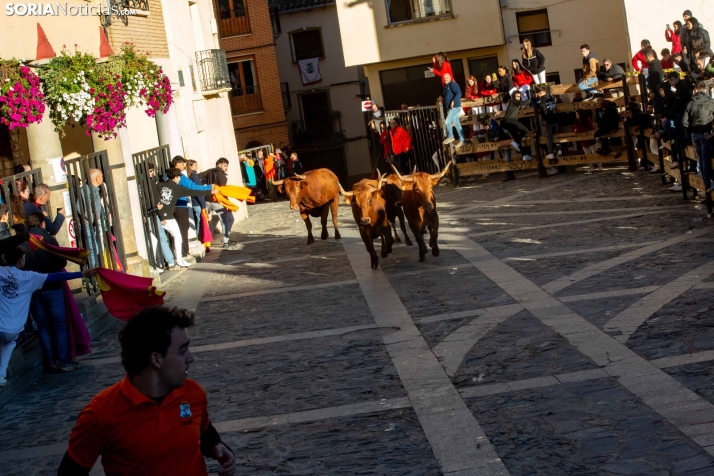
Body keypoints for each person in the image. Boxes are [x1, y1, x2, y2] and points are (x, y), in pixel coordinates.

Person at [58, 306, 236, 476]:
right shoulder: (100, 413)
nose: (191, 357)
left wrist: (216, 445)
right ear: (156, 359)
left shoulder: (193, 393)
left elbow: (203, 431)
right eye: (182, 350)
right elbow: (71, 471)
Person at [0, 243, 97, 387]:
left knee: (7, 343)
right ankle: (1, 376)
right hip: (14, 328)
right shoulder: (28, 277)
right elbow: (54, 277)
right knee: (9, 343)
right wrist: (81, 274)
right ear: (21, 259)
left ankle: (1, 376)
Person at [24, 212, 72, 373]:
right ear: (43, 223)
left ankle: (50, 362)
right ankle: (63, 362)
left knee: (43, 327)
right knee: (59, 326)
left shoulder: (24, 241)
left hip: (35, 289)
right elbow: (61, 261)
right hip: (52, 286)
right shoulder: (49, 239)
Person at [158, 169, 216, 268]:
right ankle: (179, 260)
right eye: (179, 177)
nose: (180, 179)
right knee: (178, 237)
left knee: (159, 239)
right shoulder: (177, 188)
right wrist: (210, 191)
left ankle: (167, 262)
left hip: (159, 215)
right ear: (176, 177)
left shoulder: (159, 185)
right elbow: (193, 192)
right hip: (168, 217)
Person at [169, 156, 213, 258]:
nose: (184, 166)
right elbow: (192, 187)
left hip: (173, 205)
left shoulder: (168, 176)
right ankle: (183, 254)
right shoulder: (178, 175)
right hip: (179, 205)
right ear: (177, 164)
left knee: (177, 232)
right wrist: (209, 187)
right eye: (183, 164)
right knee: (183, 230)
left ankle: (181, 253)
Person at [683, 81, 714, 193]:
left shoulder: (691, 103)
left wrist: (689, 137)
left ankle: (707, 185)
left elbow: (684, 122)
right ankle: (709, 185)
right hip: (707, 134)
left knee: (701, 160)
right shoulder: (711, 102)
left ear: (695, 89)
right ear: (705, 89)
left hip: (695, 134)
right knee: (707, 160)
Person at [146, 163, 178, 270]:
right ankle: (170, 261)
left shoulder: (143, 183)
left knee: (155, 238)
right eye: (151, 171)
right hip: (153, 214)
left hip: (149, 213)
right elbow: (157, 201)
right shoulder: (150, 183)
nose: (153, 173)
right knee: (160, 238)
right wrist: (162, 217)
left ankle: (162, 262)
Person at [200, 158, 235, 247]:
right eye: (225, 165)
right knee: (226, 220)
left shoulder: (210, 171)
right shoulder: (220, 173)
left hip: (207, 199)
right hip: (217, 200)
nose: (226, 168)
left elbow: (198, 176)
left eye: (227, 166)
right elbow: (223, 186)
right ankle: (226, 241)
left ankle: (205, 240)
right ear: (219, 164)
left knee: (205, 220)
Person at [79, 169, 106, 268]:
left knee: (96, 250)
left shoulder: (94, 190)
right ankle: (90, 275)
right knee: (92, 251)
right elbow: (84, 208)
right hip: (88, 225)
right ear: (97, 178)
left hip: (93, 225)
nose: (102, 178)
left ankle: (91, 274)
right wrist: (93, 219)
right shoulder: (86, 190)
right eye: (101, 176)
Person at [534, 85, 561, 175]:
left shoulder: (542, 101)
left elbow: (544, 113)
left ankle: (551, 153)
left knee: (548, 138)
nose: (537, 95)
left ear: (540, 93)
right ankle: (559, 148)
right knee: (556, 137)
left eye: (537, 93)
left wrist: (544, 123)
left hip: (548, 122)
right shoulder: (551, 97)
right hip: (555, 120)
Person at [501, 90, 533, 161]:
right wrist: (532, 98)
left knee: (518, 140)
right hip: (510, 121)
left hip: (507, 122)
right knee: (525, 130)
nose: (518, 98)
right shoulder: (513, 101)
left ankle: (525, 155)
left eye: (519, 97)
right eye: (517, 96)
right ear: (513, 97)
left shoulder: (515, 103)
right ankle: (515, 141)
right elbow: (523, 103)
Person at [662, 71, 693, 142]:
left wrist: (668, 117)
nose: (670, 82)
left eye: (671, 79)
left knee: (667, 124)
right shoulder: (679, 87)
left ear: (677, 79)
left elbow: (678, 105)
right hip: (683, 113)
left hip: (684, 113)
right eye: (669, 80)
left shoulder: (682, 88)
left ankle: (682, 140)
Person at [441, 73, 465, 146]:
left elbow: (459, 93)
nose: (445, 79)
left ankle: (450, 136)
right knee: (457, 124)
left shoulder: (453, 84)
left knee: (447, 122)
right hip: (449, 108)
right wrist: (441, 97)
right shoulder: (445, 87)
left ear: (450, 77)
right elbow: (444, 95)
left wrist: (453, 101)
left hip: (454, 107)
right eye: (444, 78)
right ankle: (462, 140)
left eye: (446, 77)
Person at [187, 160, 205, 241]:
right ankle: (200, 240)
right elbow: (199, 191)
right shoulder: (194, 176)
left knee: (197, 222)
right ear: (190, 166)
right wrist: (203, 205)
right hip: (197, 204)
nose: (197, 167)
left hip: (194, 203)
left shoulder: (189, 176)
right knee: (199, 223)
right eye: (195, 165)